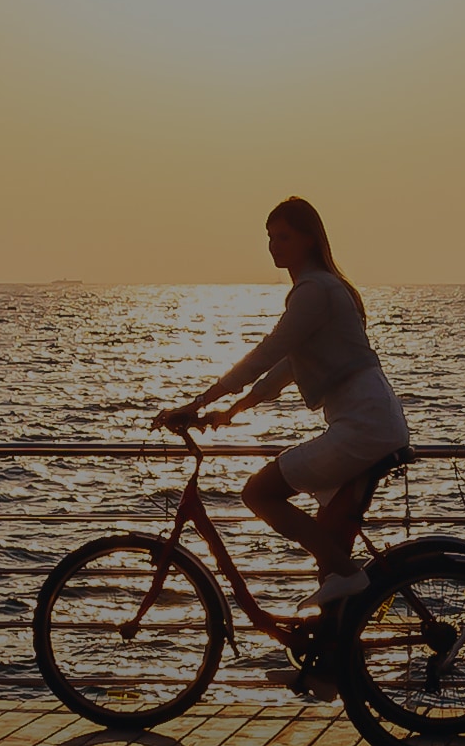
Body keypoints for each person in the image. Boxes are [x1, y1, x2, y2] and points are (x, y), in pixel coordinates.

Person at [156, 197, 411, 609]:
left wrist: (197, 401)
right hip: (371, 422)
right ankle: (334, 646)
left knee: (259, 493)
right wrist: (229, 412)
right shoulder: (323, 288)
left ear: (310, 240)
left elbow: (267, 354)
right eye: (270, 237)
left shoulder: (314, 291)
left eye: (284, 236)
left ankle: (351, 576)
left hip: (364, 427)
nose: (274, 246)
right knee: (326, 541)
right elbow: (286, 370)